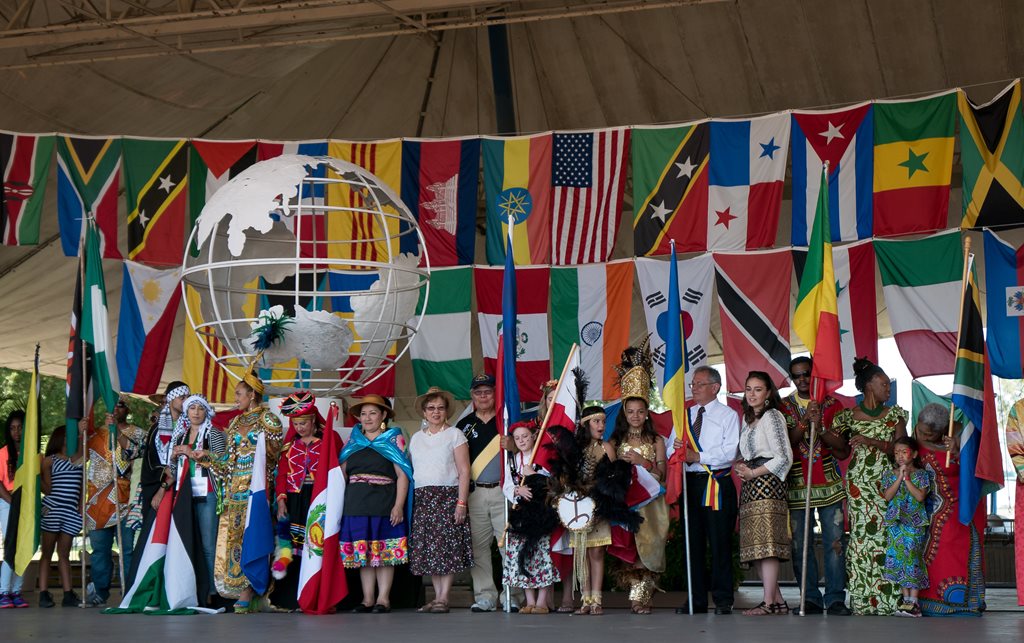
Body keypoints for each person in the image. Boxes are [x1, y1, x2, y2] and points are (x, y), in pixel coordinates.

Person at [832, 358, 908, 615]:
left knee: (888, 537)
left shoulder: (895, 414)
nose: (888, 388)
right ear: (868, 386)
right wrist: (821, 429)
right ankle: (863, 600)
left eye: (888, 384)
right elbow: (841, 452)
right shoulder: (848, 416)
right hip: (859, 484)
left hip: (889, 481)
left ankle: (890, 600)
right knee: (862, 538)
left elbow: (902, 452)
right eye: (883, 383)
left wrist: (872, 442)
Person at [778, 357, 851, 615]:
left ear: (815, 374)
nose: (802, 380)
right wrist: (803, 421)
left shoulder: (833, 404)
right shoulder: (783, 406)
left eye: (806, 374)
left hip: (830, 484)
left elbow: (843, 449)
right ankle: (809, 597)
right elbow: (785, 444)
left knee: (835, 544)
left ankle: (835, 599)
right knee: (800, 545)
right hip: (797, 485)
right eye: (796, 376)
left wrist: (819, 426)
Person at [210, 372, 283, 612]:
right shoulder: (234, 423)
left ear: (252, 395)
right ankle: (241, 584)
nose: (236, 398)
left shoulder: (269, 420)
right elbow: (227, 462)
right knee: (236, 540)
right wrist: (205, 457)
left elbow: (274, 457)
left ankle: (251, 587)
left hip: (258, 490)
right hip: (235, 490)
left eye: (239, 394)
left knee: (254, 536)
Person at [673, 365, 740, 615]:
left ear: (715, 387)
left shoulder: (728, 416)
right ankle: (695, 599)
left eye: (699, 384)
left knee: (720, 542)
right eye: (692, 384)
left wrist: (696, 455)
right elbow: (671, 448)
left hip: (717, 483)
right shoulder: (684, 416)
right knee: (693, 543)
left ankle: (723, 600)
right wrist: (678, 450)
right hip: (690, 484)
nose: (694, 388)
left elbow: (730, 453)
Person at [339, 394, 413, 613]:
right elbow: (340, 475)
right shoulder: (352, 441)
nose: (367, 418)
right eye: (363, 413)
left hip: (384, 502)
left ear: (383, 416)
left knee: (384, 553)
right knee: (364, 554)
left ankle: (383, 599)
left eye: (373, 413)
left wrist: (398, 505)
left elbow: (402, 475)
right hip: (356, 504)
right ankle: (368, 599)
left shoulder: (392, 440)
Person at [609, 341, 668, 615]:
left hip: (651, 504)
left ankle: (644, 595)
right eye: (630, 411)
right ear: (624, 413)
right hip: (625, 503)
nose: (635, 416)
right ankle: (636, 596)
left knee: (649, 547)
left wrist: (642, 462)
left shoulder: (657, 440)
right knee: (631, 548)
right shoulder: (616, 439)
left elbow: (661, 473)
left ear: (647, 414)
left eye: (640, 412)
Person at [913, 403, 986, 616]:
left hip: (960, 507)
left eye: (929, 434)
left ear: (943, 430)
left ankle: (963, 603)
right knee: (930, 552)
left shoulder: (961, 440)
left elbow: (977, 471)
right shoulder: (915, 439)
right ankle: (927, 601)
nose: (923, 436)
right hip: (928, 509)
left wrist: (957, 451)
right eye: (921, 430)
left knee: (957, 550)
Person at [455, 373, 520, 613]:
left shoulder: (508, 419)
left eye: (488, 392)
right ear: (472, 395)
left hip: (504, 492)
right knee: (479, 547)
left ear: (495, 394)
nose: (483, 396)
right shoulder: (464, 425)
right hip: (475, 494)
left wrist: (512, 445)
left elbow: (526, 450)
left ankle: (512, 594)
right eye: (478, 392)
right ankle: (485, 596)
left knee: (508, 546)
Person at [408, 387, 472, 614]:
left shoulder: (455, 434)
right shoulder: (415, 438)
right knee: (432, 550)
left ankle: (444, 598)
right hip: (424, 498)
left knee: (446, 548)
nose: (436, 412)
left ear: (446, 412)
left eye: (440, 408)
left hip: (447, 496)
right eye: (431, 408)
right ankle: (436, 597)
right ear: (424, 412)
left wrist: (461, 502)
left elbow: (464, 471)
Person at [734, 371, 793, 616]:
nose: (752, 394)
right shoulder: (748, 421)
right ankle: (777, 601)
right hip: (751, 484)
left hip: (767, 483)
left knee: (767, 543)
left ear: (768, 393)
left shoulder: (773, 416)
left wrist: (753, 472)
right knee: (757, 544)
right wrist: (742, 467)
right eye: (749, 389)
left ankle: (768, 602)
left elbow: (783, 456)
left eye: (758, 389)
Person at [84, 397, 148, 606]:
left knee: (127, 550)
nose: (115, 408)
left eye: (120, 404)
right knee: (100, 551)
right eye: (112, 404)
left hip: (126, 501)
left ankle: (129, 593)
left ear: (127, 409)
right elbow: (75, 457)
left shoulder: (138, 432)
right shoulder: (94, 434)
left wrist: (116, 432)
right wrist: (79, 431)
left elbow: (140, 454)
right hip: (96, 503)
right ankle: (100, 593)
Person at [166, 394, 226, 606]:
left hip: (208, 493)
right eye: (192, 409)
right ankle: (190, 588)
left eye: (200, 409)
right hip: (184, 495)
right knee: (187, 540)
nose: (196, 413)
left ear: (206, 411)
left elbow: (223, 461)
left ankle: (212, 592)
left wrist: (193, 454)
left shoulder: (215, 434)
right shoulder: (180, 435)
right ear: (186, 412)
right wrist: (173, 458)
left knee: (208, 545)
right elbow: (171, 469)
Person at [270, 391, 324, 611]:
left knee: (315, 546)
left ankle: (314, 594)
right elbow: (281, 475)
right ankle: (290, 598)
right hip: (293, 499)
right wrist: (281, 501)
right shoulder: (289, 446)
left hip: (317, 499)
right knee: (291, 547)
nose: (300, 427)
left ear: (313, 421)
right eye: (296, 423)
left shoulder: (327, 442)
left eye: (304, 422)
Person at [501, 421, 559, 614]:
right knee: (521, 555)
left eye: (525, 436)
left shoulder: (543, 458)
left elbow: (553, 485)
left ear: (533, 436)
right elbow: (506, 486)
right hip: (521, 515)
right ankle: (530, 600)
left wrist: (533, 475)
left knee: (540, 555)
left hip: (541, 514)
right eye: (517, 438)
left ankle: (542, 600)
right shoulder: (512, 460)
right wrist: (518, 489)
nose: (521, 440)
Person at [572, 404, 617, 615]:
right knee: (581, 553)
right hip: (578, 508)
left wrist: (603, 502)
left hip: (599, 507)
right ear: (585, 425)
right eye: (596, 421)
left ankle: (597, 599)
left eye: (603, 421)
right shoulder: (574, 449)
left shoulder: (607, 448)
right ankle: (585, 599)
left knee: (597, 551)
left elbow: (615, 481)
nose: (601, 425)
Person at [881, 436, 932, 617]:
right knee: (900, 558)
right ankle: (905, 600)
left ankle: (915, 602)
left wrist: (907, 479)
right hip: (896, 523)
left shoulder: (921, 475)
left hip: (915, 523)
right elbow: (887, 496)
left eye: (904, 452)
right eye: (896, 453)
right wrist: (899, 477)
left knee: (913, 557)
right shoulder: (889, 475)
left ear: (914, 454)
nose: (900, 456)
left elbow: (919, 497)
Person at [38, 424, 84, 608]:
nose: (69, 438)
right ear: (59, 438)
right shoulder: (50, 460)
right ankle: (43, 593)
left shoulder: (78, 459)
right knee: (47, 553)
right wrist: (37, 477)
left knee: (64, 554)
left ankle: (67, 593)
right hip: (53, 509)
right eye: (67, 435)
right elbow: (47, 489)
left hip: (70, 511)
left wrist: (80, 505)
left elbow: (81, 486)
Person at [135, 382, 190, 531]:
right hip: (157, 484)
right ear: (171, 399)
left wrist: (167, 483)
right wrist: (164, 475)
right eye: (182, 397)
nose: (186, 401)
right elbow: (150, 461)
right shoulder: (155, 429)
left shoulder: (190, 428)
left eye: (188, 397)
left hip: (183, 487)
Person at [0, 411, 28, 608]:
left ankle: (17, 591)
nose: (17, 432)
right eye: (13, 428)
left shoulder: (31, 453)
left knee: (24, 548)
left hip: (26, 502)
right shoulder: (2, 453)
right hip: (8, 502)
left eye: (20, 427)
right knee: (11, 547)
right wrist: (12, 502)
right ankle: (3, 591)